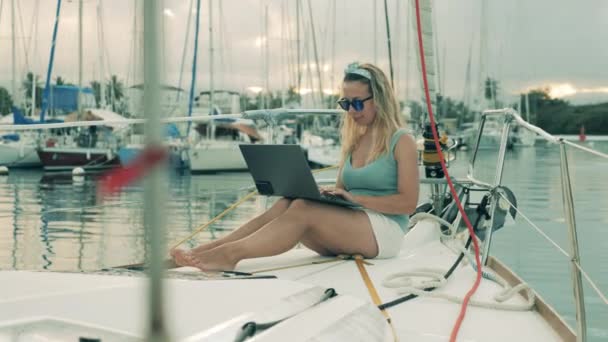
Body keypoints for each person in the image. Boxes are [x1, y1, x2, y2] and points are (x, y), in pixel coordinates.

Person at [171, 62, 419, 271]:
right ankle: (208, 249)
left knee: (303, 209)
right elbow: (342, 192)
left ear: (379, 100)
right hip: (355, 223)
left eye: (357, 104)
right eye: (345, 104)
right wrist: (328, 195)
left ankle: (228, 256)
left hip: (385, 232)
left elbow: (407, 204)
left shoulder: (401, 140)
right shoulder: (355, 141)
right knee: (288, 202)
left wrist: (355, 199)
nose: (351, 112)